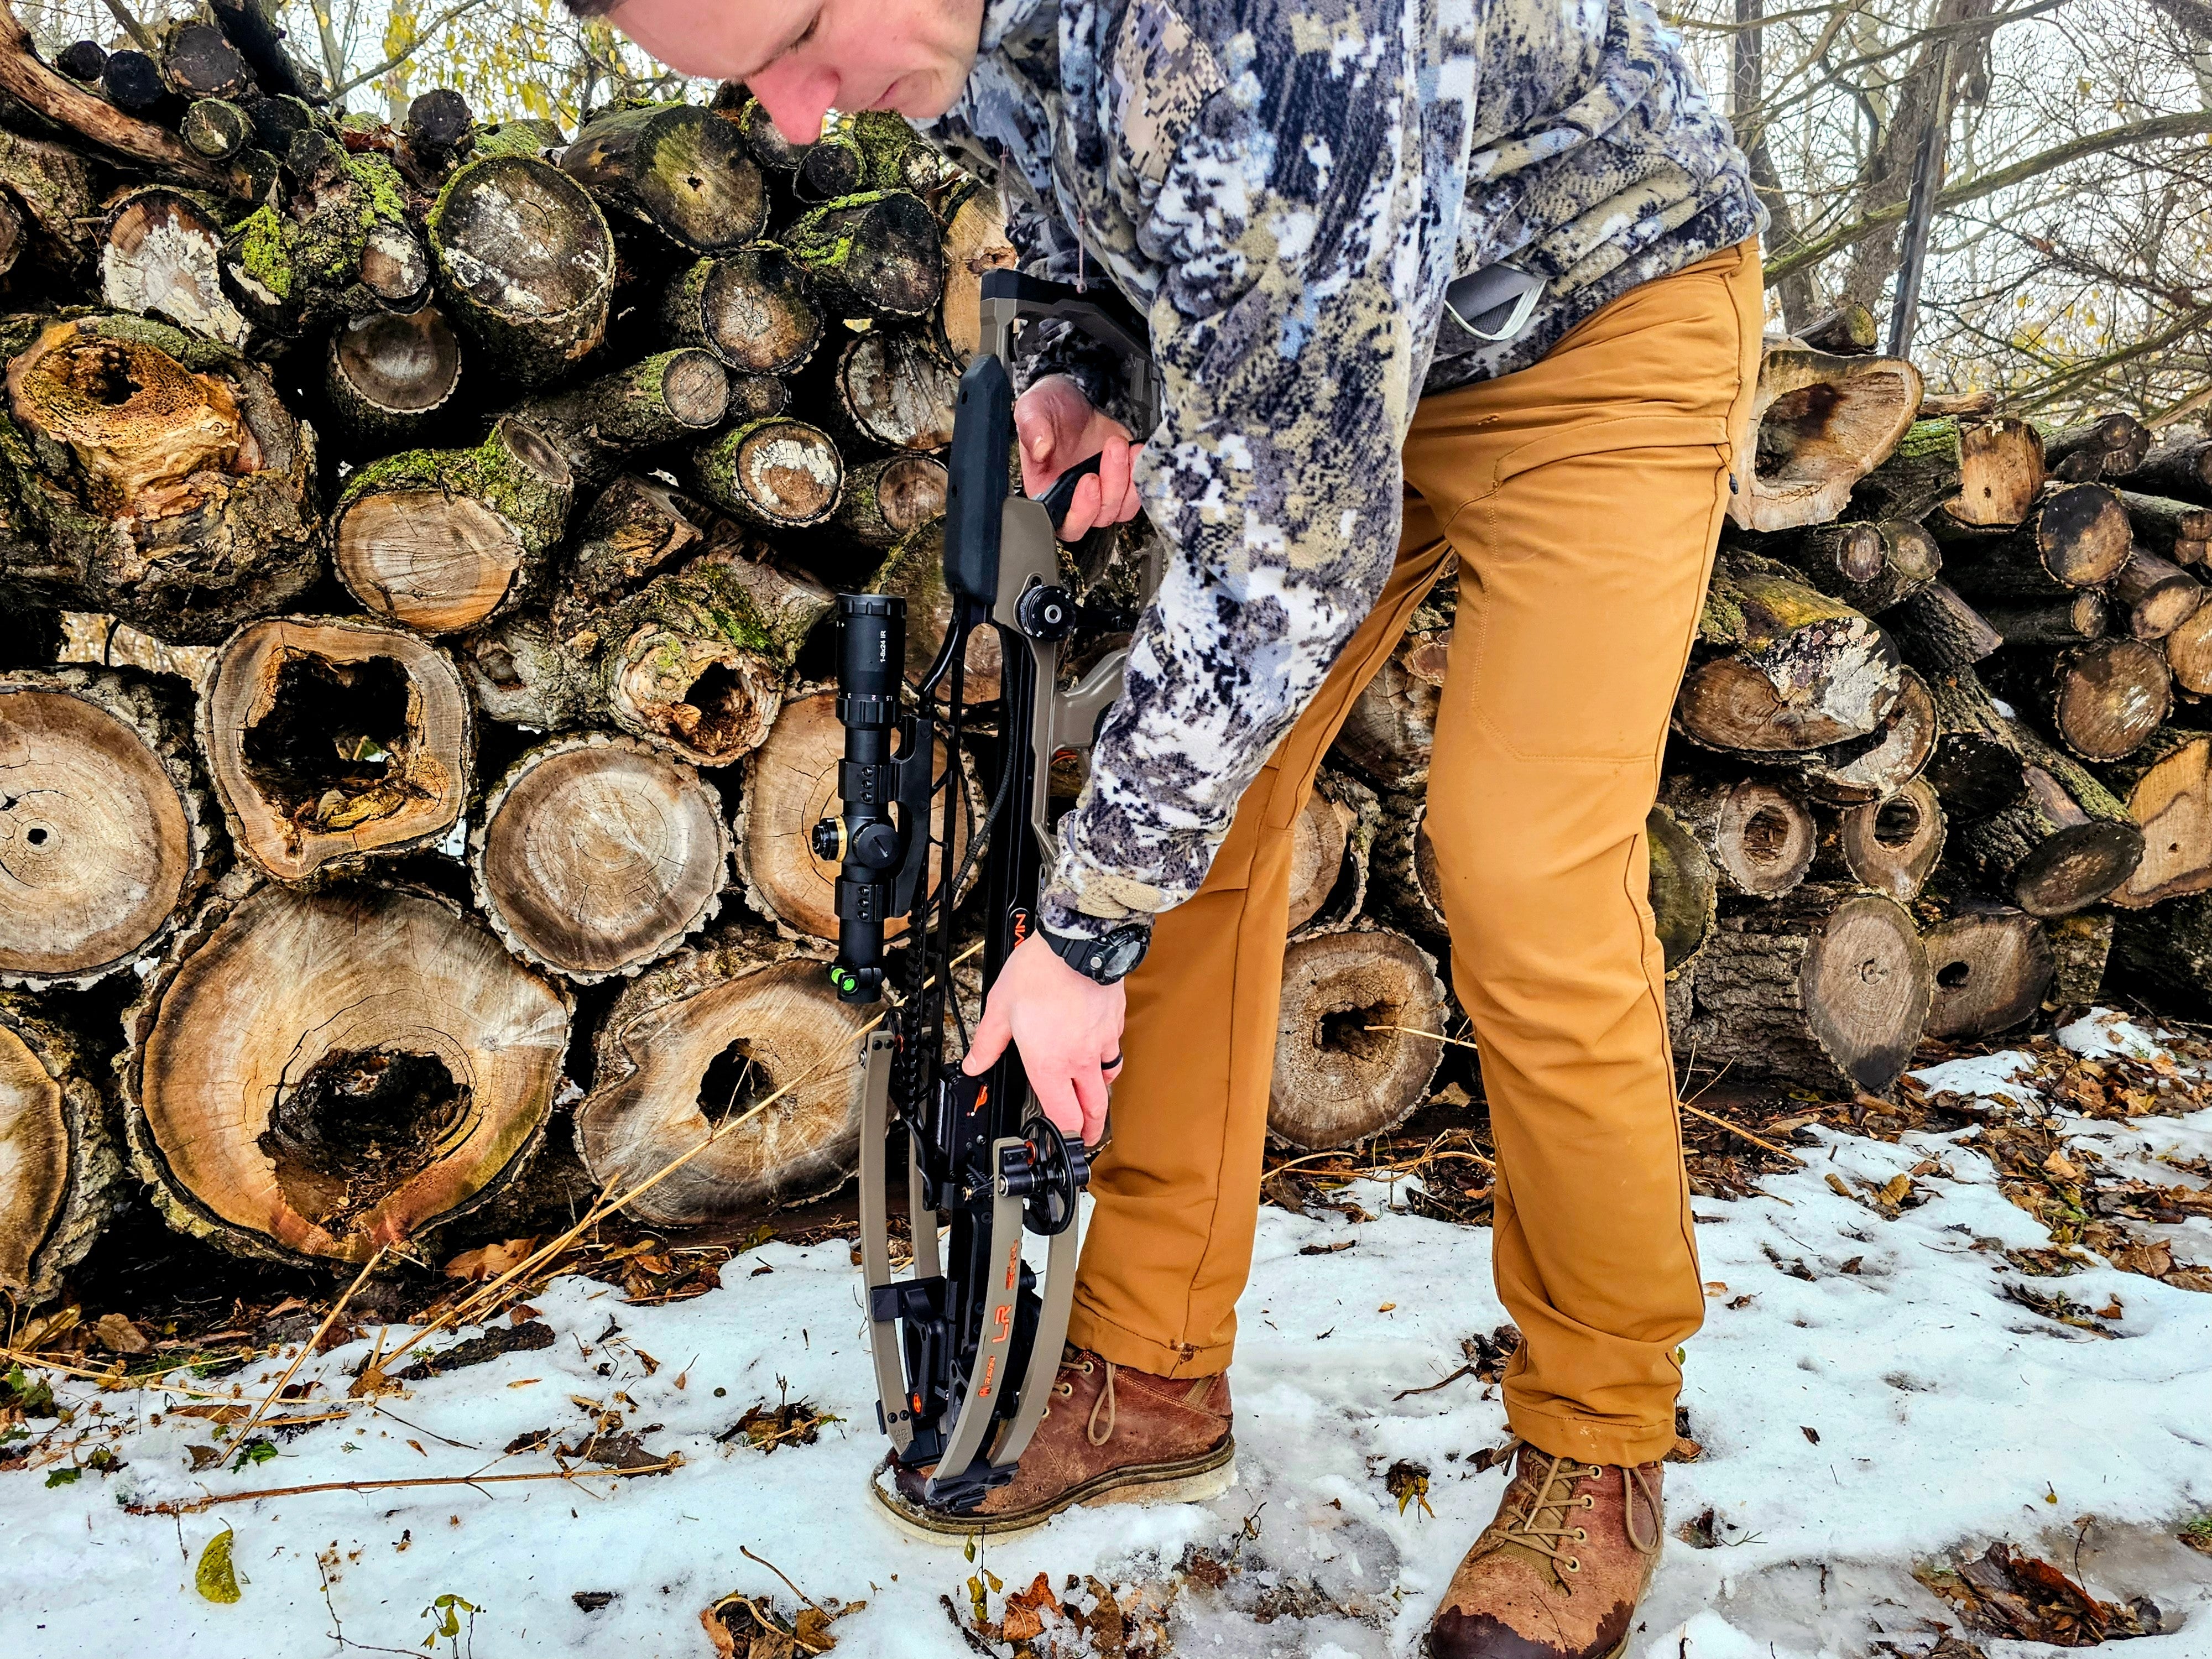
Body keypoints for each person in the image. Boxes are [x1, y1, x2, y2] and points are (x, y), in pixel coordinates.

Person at [584, 2, 1765, 1651]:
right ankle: (1148, 1366)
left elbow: (1286, 557)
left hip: (1591, 328)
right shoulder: (961, 31)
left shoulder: (1256, 26)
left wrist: (1075, 943)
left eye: (788, 37)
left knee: (1521, 867)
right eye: (740, 84)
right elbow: (1078, 215)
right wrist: (1086, 373)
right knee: (1184, 846)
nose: (787, 117)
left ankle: (1601, 1440)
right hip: (1340, 340)